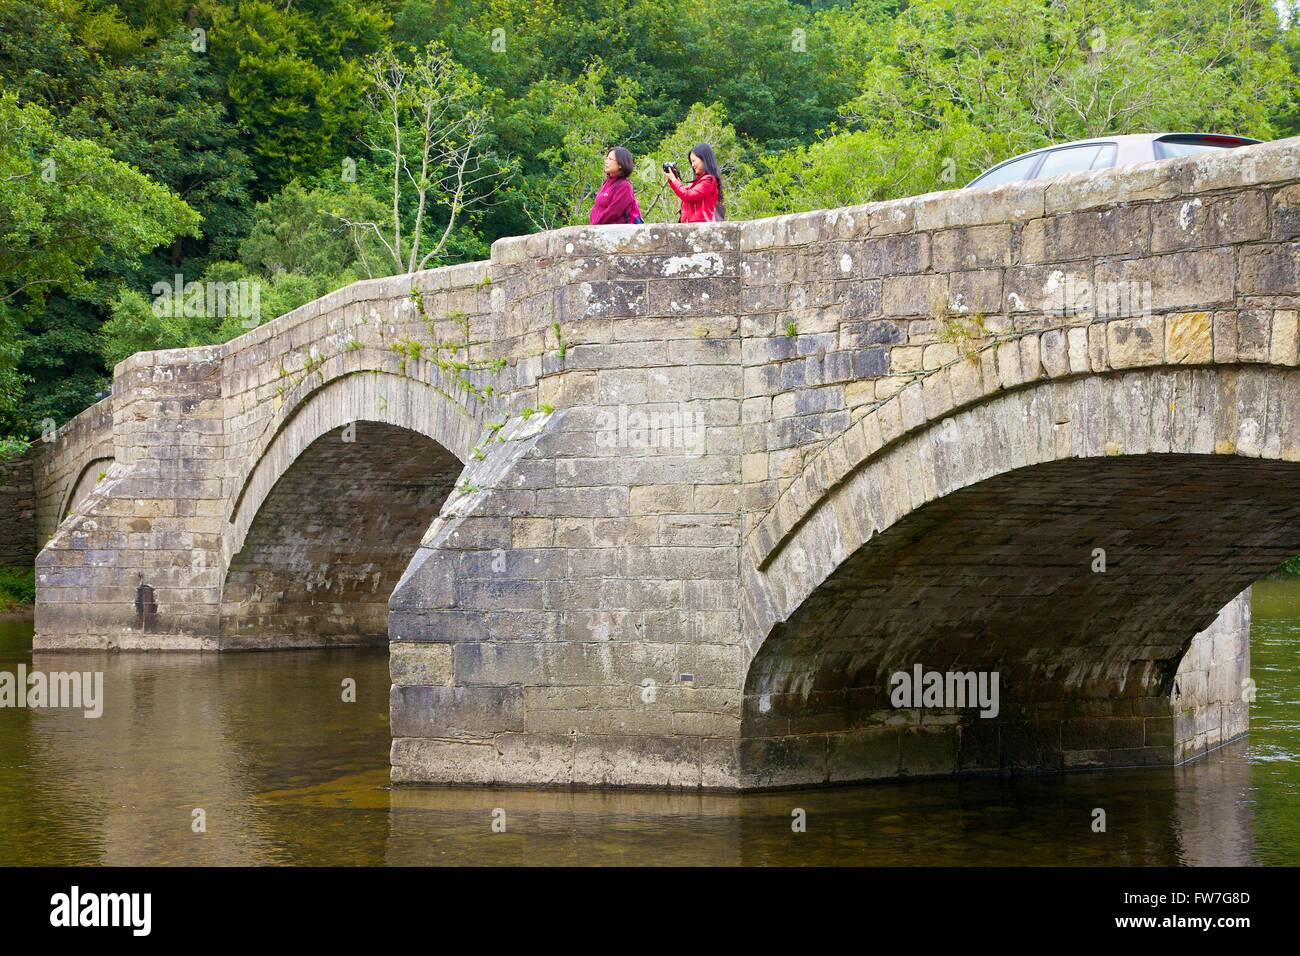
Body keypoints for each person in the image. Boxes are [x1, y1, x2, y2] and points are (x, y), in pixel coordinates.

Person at [665, 143, 724, 222]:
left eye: (694, 161)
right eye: (691, 162)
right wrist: (674, 179)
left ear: (704, 159)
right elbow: (684, 191)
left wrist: (674, 180)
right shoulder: (700, 181)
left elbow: (687, 195)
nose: (692, 165)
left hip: (702, 227)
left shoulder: (709, 180)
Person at [589, 146, 643, 225]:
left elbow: (613, 213)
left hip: (615, 233)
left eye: (610, 159)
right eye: (606, 158)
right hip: (598, 231)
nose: (606, 162)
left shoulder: (625, 186)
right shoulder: (606, 183)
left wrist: (594, 225)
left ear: (620, 164)